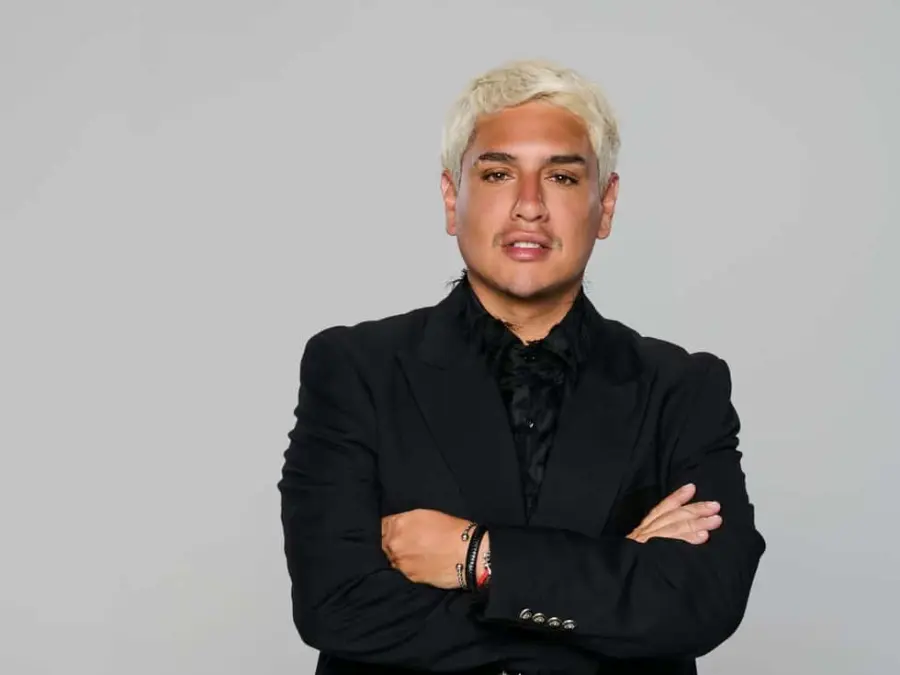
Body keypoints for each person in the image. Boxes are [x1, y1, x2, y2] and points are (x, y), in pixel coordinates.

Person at [278, 59, 765, 675]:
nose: (529, 206)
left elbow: (701, 603)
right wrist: (614, 586)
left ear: (606, 205)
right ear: (452, 199)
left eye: (561, 176)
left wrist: (475, 556)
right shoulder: (354, 369)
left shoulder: (682, 387)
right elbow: (336, 606)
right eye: (498, 173)